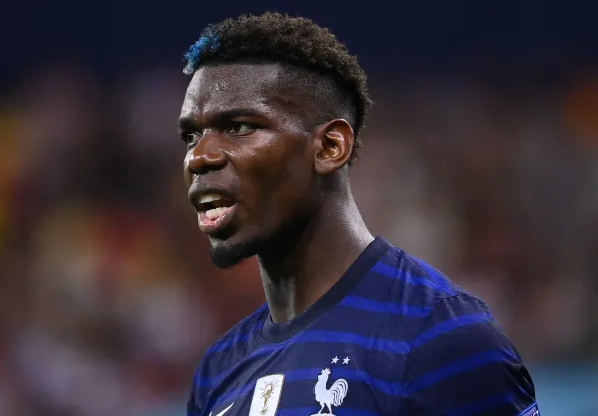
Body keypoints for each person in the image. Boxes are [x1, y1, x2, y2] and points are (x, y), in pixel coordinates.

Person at [178, 12, 539, 416]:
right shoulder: (217, 370)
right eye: (191, 135)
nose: (200, 156)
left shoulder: (439, 336)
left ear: (330, 147)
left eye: (239, 126)